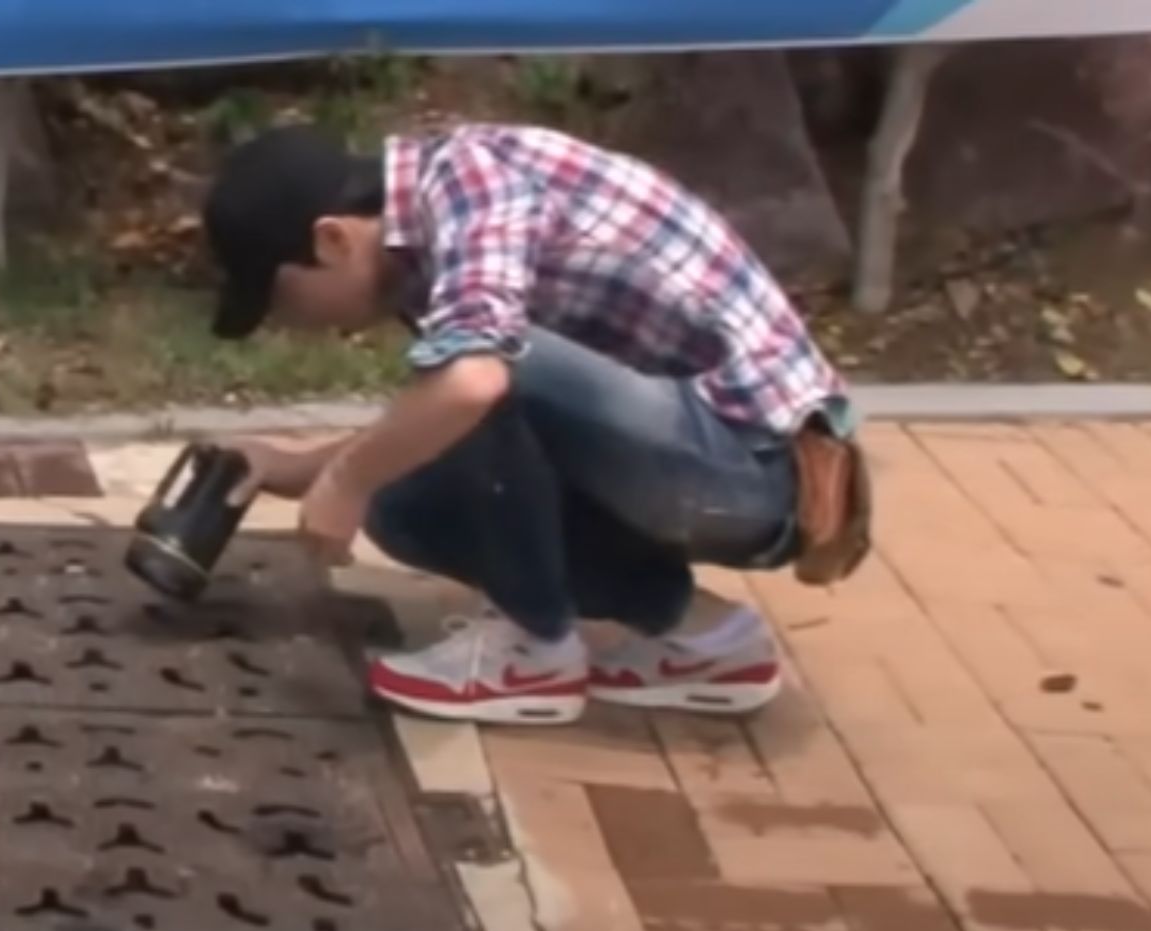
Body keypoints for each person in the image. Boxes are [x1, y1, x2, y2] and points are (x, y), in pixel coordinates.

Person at [199, 122, 869, 727]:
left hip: (764, 477)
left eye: (283, 300)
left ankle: (533, 655)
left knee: (476, 378)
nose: (295, 325)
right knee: (404, 505)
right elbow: (447, 406)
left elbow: (478, 384)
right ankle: (709, 642)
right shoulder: (425, 235)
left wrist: (347, 477)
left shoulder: (468, 184)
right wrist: (294, 469)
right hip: (702, 460)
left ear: (332, 240)